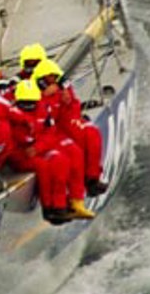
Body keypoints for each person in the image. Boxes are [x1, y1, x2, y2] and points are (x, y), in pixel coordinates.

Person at [33, 58, 107, 195]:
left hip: (63, 125)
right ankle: (71, 191)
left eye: (55, 76)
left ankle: (92, 179)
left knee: (91, 133)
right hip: (46, 132)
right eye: (50, 76)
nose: (53, 79)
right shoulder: (32, 92)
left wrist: (67, 101)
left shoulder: (62, 88)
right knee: (72, 151)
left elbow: (73, 109)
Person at [7, 78, 73, 222]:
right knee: (43, 167)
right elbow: (11, 140)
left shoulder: (44, 109)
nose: (29, 106)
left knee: (60, 160)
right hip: (20, 155)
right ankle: (48, 207)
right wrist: (29, 148)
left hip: (38, 149)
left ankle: (60, 205)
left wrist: (38, 147)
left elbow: (50, 133)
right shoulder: (11, 115)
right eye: (25, 103)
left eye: (31, 102)